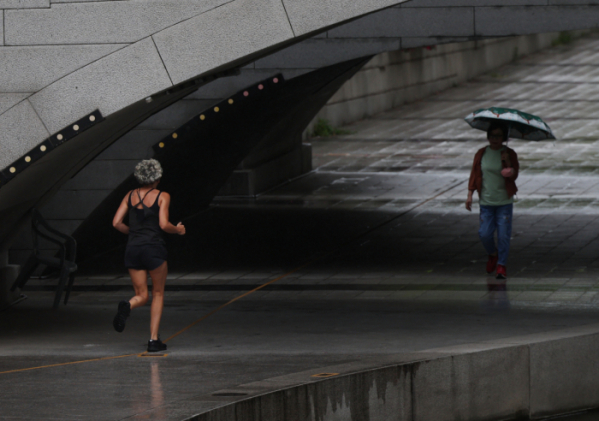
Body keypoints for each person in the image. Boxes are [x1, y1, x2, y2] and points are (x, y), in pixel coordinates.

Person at [112, 159, 185, 352]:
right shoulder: (163, 196)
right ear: (157, 178)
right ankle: (153, 340)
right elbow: (163, 225)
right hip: (154, 249)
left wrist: (134, 234)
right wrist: (178, 230)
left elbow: (116, 223)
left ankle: (128, 305)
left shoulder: (129, 195)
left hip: (133, 248)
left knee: (141, 295)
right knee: (158, 293)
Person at [466, 123, 519, 280]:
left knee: (503, 235)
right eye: (492, 136)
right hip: (486, 202)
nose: (495, 139)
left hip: (504, 201)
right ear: (488, 137)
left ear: (504, 138)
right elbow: (474, 174)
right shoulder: (481, 153)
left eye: (499, 136)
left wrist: (508, 163)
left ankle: (501, 265)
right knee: (484, 233)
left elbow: (514, 175)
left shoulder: (509, 153)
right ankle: (492, 255)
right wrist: (470, 194)